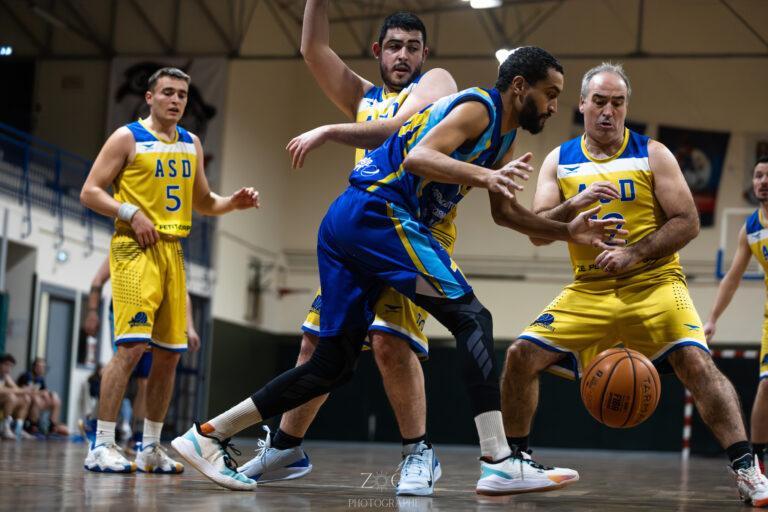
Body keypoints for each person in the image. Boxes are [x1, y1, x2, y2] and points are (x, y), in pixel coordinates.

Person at [173, 46, 628, 495]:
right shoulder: (479, 108)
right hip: (377, 213)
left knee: (332, 365)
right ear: (520, 87)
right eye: (551, 94)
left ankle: (208, 435)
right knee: (472, 318)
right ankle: (499, 460)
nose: (554, 106)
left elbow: (506, 215)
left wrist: (569, 229)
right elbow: (418, 158)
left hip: (348, 225)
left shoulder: (504, 139)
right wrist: (484, 175)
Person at [500, 62, 768, 507]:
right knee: (519, 356)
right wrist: (576, 203)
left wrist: (634, 253)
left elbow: (688, 221)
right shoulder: (559, 160)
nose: (608, 111)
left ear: (626, 107)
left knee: (697, 361)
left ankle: (748, 470)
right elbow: (537, 231)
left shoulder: (652, 153)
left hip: (655, 282)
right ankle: (516, 463)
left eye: (618, 103)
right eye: (600, 102)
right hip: (589, 288)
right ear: (582, 104)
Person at [238, 2, 457, 496]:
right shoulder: (363, 97)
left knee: (389, 342)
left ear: (425, 54)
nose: (403, 55)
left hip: (413, 235)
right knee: (315, 343)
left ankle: (419, 453)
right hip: (362, 237)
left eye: (413, 47)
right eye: (394, 46)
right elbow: (313, 49)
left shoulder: (437, 84)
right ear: (378, 51)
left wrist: (328, 130)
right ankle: (287, 449)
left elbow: (402, 126)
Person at [80, 66, 259, 474]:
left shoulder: (191, 143)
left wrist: (233, 202)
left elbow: (204, 202)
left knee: (169, 356)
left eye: (181, 94)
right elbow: (90, 191)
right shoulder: (127, 137)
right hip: (134, 248)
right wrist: (130, 212)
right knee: (130, 349)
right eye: (167, 92)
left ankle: (149, 448)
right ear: (150, 97)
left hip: (173, 251)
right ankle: (101, 444)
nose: (176, 100)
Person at [80, 256, 201, 452]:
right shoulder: (128, 245)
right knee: (124, 365)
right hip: (126, 309)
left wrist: (191, 327)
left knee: (145, 380)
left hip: (155, 316)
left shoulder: (168, 252)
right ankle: (94, 423)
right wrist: (92, 311)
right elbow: (98, 280)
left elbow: (182, 293)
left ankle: (137, 435)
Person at [704, 155, 768, 479]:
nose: (763, 182)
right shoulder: (751, 229)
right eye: (758, 175)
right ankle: (757, 464)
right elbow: (732, 278)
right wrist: (713, 318)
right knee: (766, 385)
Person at [17, 357, 68, 438]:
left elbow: (44, 391)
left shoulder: (40, 379)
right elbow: (23, 391)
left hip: (40, 403)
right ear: (34, 367)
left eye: (43, 367)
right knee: (35, 399)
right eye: (39, 366)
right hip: (26, 402)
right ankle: (33, 426)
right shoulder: (25, 376)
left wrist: (51, 394)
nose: (41, 369)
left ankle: (52, 426)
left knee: (56, 400)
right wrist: (40, 393)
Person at [0, 353, 34, 440]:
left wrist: (26, 391)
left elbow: (15, 388)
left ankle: (18, 428)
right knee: (11, 397)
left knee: (26, 399)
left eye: (11, 366)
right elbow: (2, 390)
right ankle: (5, 428)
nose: (8, 368)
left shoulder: (5, 376)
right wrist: (22, 390)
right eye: (6, 365)